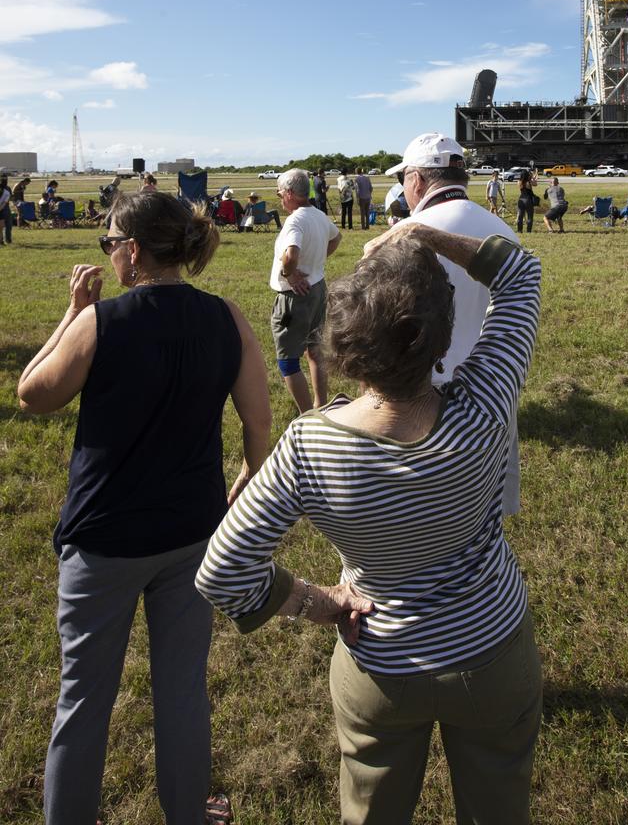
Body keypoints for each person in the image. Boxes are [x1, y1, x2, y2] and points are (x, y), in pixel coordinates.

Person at [196, 223, 543, 825]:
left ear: (344, 340)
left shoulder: (309, 444)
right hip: (493, 652)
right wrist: (423, 234)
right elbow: (521, 274)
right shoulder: (487, 402)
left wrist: (320, 601)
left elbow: (224, 571)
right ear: (440, 341)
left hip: (377, 662)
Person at [17, 191, 274, 825]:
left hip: (103, 539)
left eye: (108, 244)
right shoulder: (227, 317)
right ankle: (188, 812)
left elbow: (31, 394)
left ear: (131, 251)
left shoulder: (103, 321)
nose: (107, 255)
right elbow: (258, 427)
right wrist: (236, 492)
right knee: (182, 689)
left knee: (83, 698)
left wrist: (73, 312)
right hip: (192, 533)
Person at [387, 132, 522, 516]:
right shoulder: (503, 231)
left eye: (403, 182)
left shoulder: (403, 236)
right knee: (486, 510)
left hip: (423, 395)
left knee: (424, 514)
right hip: (494, 392)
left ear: (416, 180)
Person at [271, 168, 341, 413]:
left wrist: (289, 274)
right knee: (315, 349)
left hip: (295, 296)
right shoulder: (318, 215)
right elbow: (336, 237)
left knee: (288, 361)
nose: (280, 198)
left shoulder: (295, 220)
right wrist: (316, 263)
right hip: (318, 289)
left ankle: (307, 415)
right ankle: (320, 404)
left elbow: (291, 254)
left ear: (290, 193)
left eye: (280, 193)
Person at [0, 173, 12, 245]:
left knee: (8, 225)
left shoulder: (8, 188)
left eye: (5, 178)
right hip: (4, 208)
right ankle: (3, 240)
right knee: (3, 226)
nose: (4, 180)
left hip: (6, 207)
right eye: (3, 178)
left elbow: (10, 197)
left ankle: (8, 240)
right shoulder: (6, 189)